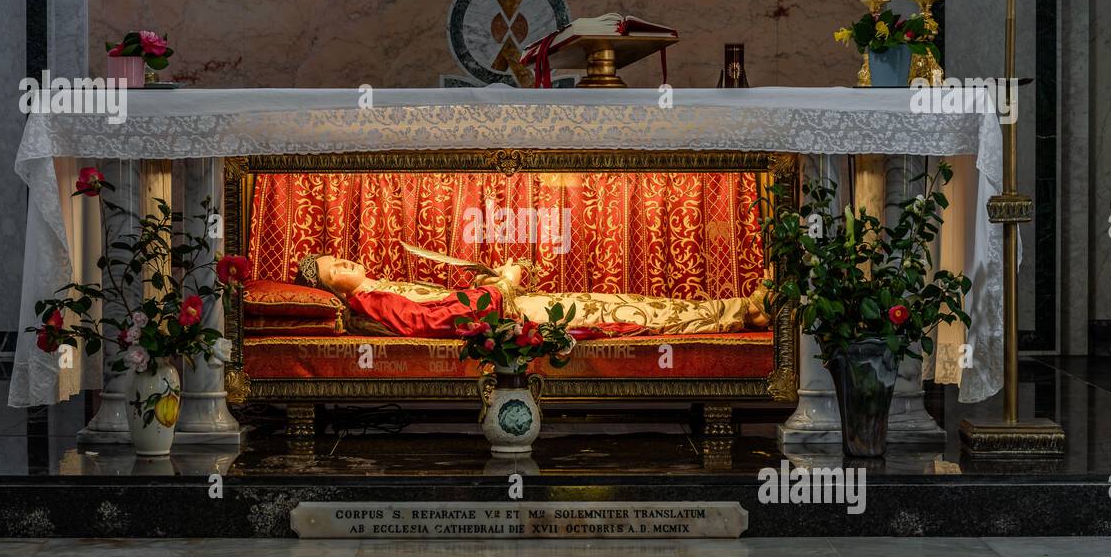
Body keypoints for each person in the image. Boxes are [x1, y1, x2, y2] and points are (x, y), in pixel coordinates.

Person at [294, 253, 770, 339]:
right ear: (330, 290)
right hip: (521, 318)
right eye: (337, 270)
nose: (346, 263)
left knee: (633, 303)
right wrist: (504, 283)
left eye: (341, 258)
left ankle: (736, 309)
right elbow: (436, 323)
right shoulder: (369, 302)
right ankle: (743, 314)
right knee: (636, 314)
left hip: (521, 307)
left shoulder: (376, 289)